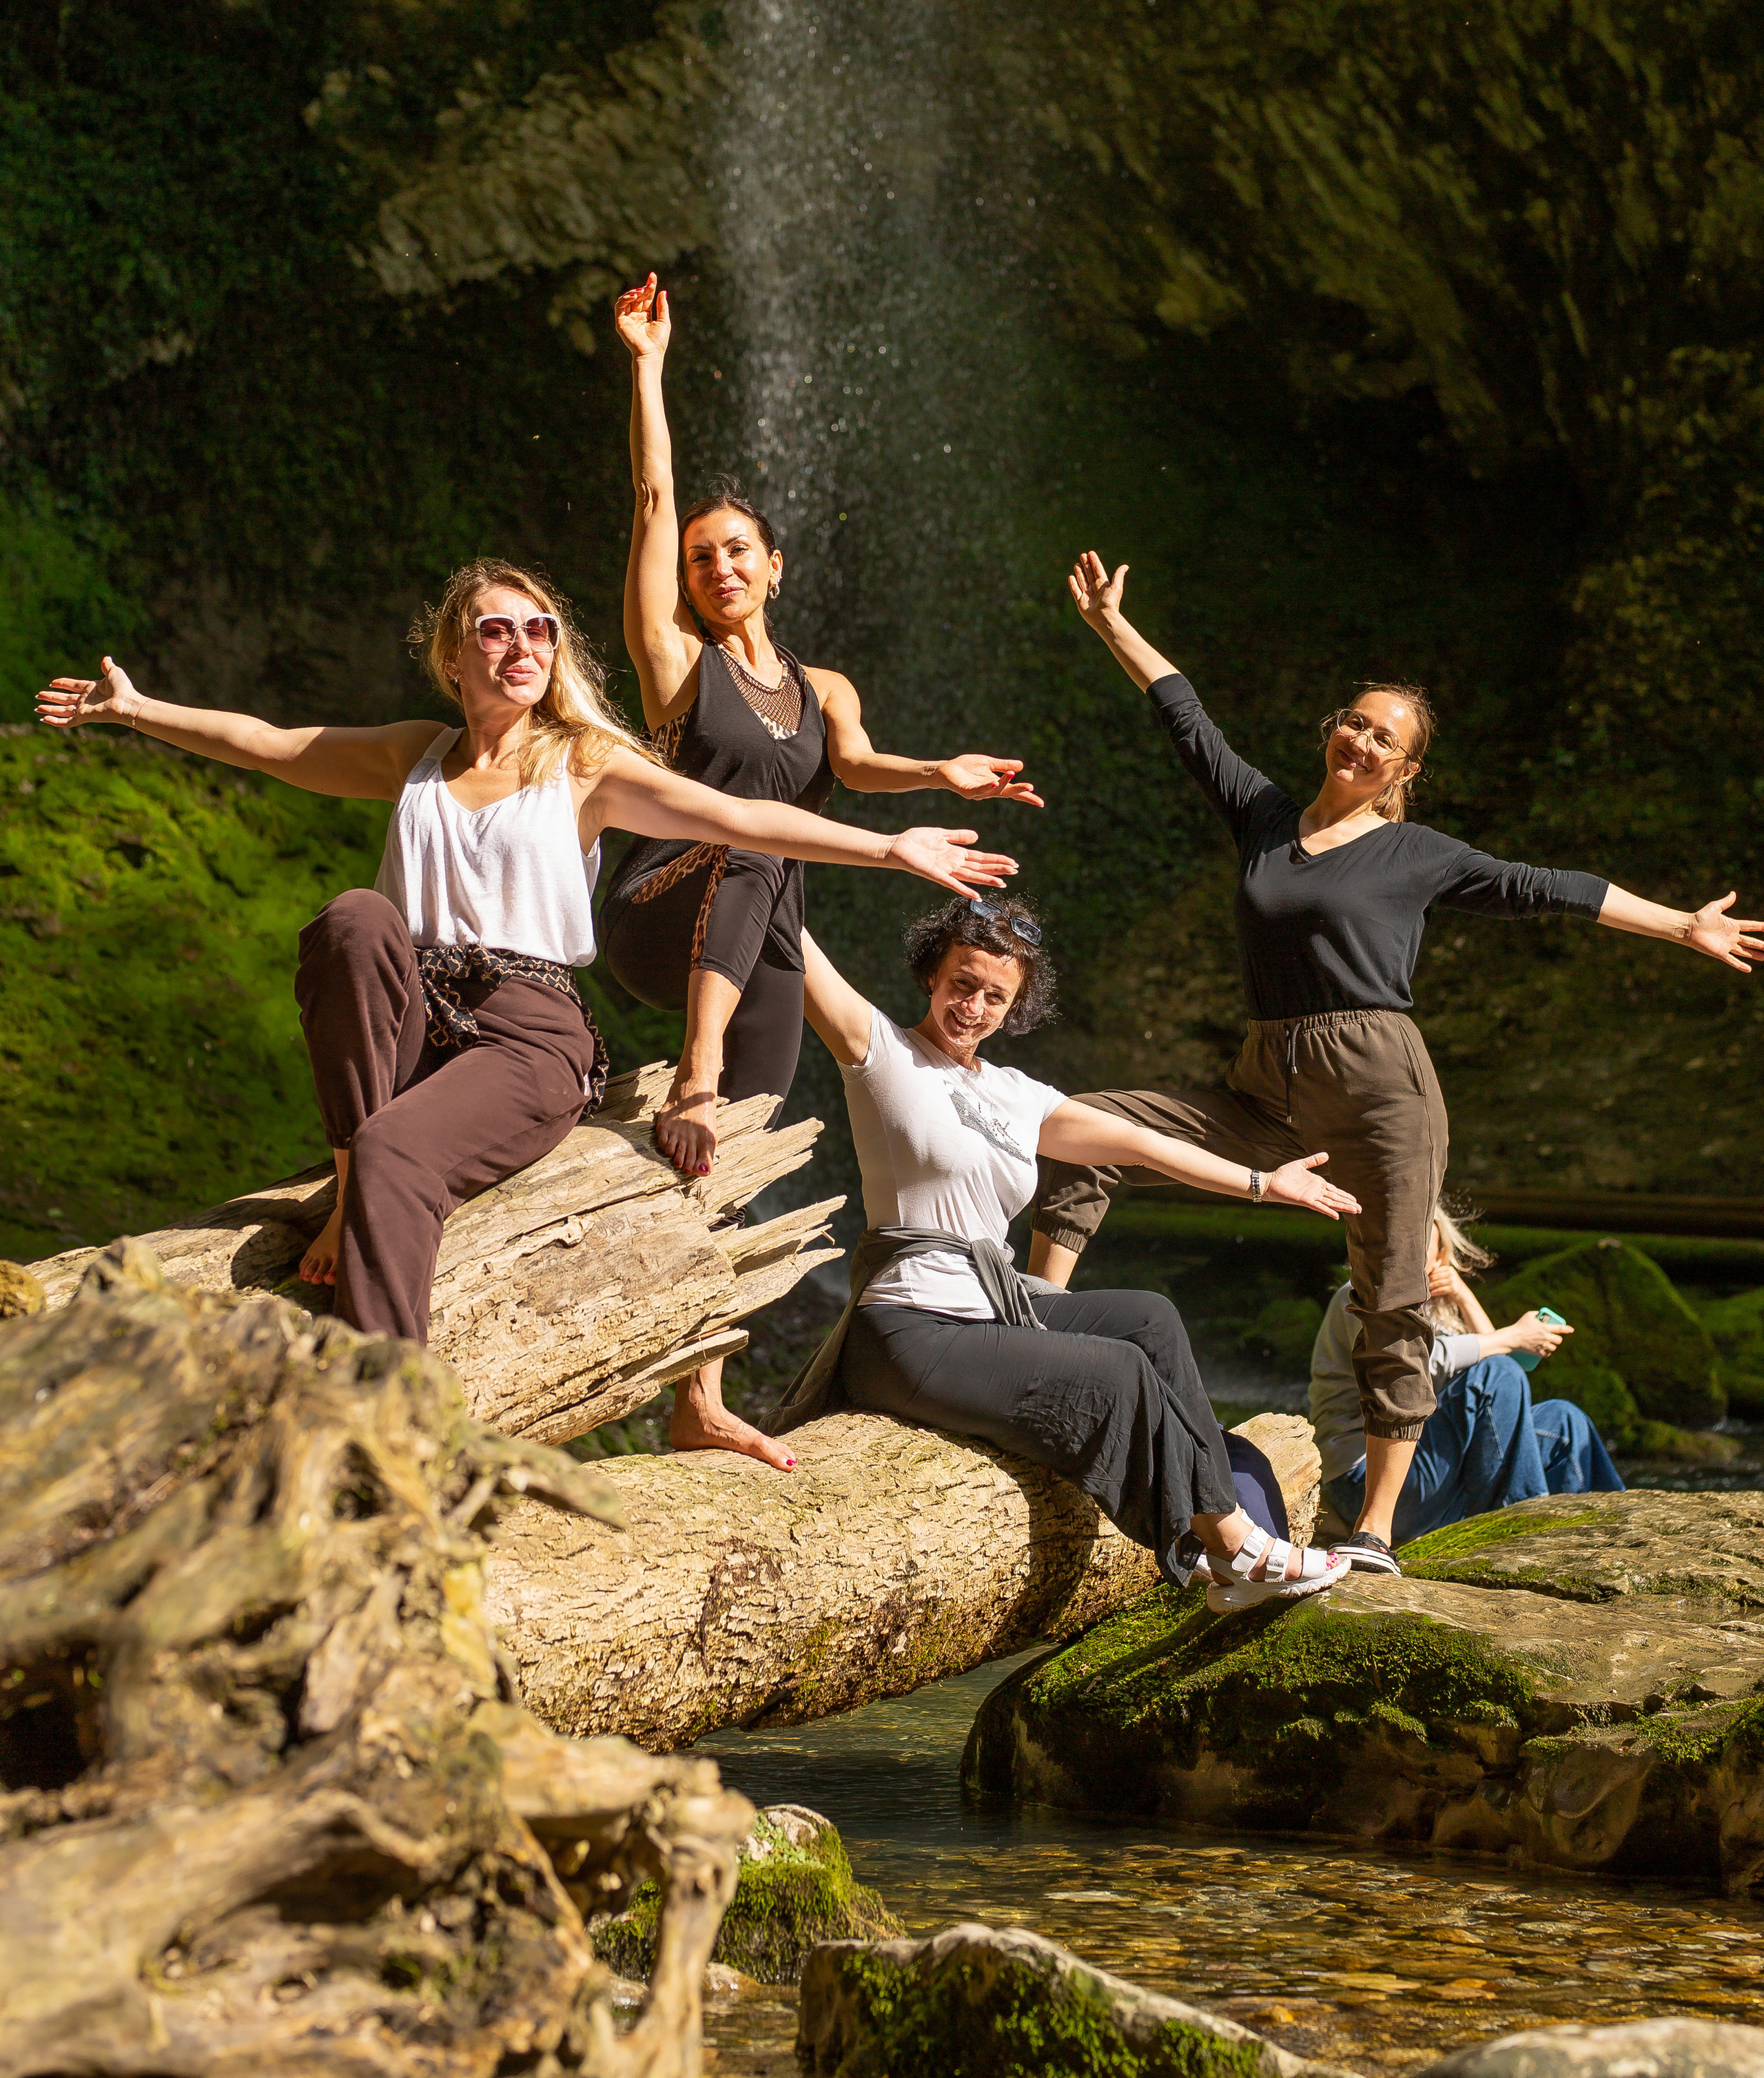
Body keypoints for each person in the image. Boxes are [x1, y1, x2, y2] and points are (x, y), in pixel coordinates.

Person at [35, 558, 1018, 1351]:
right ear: (452, 658)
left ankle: (386, 1418)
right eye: (497, 629)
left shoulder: (582, 764)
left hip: (526, 1031)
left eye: (540, 629)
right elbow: (268, 742)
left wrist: (891, 845)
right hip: (411, 1020)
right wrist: (137, 711)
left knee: (398, 1150)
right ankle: (352, 1185)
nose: (523, 645)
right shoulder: (414, 755)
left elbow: (740, 816)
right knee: (352, 921)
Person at [1036, 551, 1761, 1577]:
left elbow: (1546, 887)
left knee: (1389, 1293)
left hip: (1379, 1085)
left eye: (1387, 736)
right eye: (1356, 721)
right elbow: (1186, 719)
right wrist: (1112, 625)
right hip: (1264, 1085)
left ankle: (1372, 1529)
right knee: (1083, 1125)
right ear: (1332, 733)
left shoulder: (1417, 855)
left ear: (1403, 770)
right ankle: (1044, 1324)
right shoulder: (1267, 817)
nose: (1363, 738)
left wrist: (1680, 924)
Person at [600, 271, 1041, 1470]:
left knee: (742, 1145)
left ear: (777, 567)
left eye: (737, 551)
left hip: (756, 933)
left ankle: (697, 1395)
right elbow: (649, 501)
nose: (716, 567)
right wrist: (648, 366)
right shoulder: (677, 667)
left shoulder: (823, 688)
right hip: (657, 909)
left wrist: (941, 775)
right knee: (754, 834)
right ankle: (691, 1070)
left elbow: (856, 765)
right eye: (702, 558)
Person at [775, 893, 1364, 1609]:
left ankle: (1228, 1519)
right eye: (962, 983)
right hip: (907, 1328)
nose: (973, 1006)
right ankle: (1234, 1544)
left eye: (995, 996)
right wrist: (766, 828)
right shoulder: (882, 1055)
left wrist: (1263, 1184)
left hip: (988, 1312)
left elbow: (1142, 1143)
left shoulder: (1015, 1095)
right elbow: (792, 941)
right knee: (1116, 1371)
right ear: (932, 974)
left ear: (1014, 1007)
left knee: (1148, 1318)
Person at [1311, 1204, 1624, 1536]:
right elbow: (1417, 1366)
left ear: (1439, 1256)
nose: (1407, 1259)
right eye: (1400, 1248)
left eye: (1420, 1250)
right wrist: (1513, 1336)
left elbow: (1504, 1374)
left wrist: (1464, 1297)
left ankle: (1610, 1526)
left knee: (1564, 1420)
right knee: (1497, 1374)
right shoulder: (1359, 1296)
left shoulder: (1432, 1310)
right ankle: (1521, 1526)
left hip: (1425, 1473)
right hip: (1367, 1482)